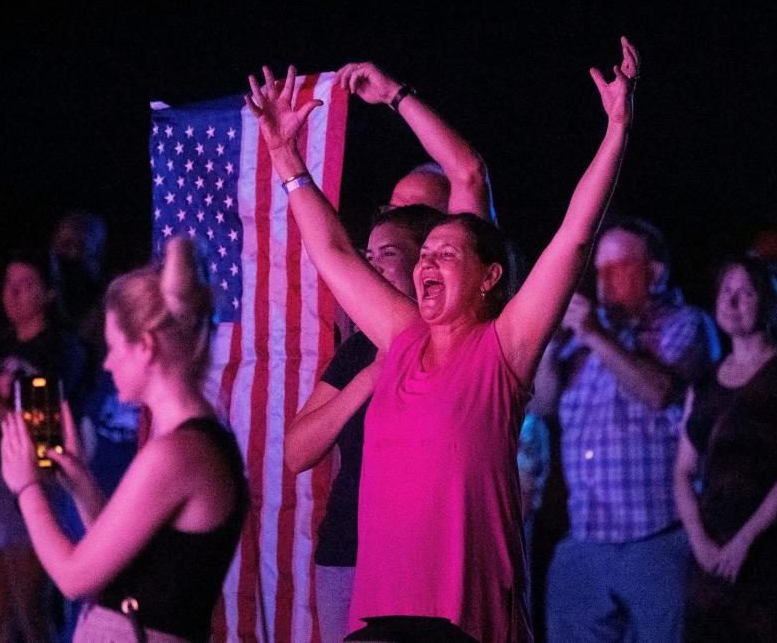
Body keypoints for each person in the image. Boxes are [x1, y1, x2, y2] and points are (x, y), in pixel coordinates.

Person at [246, 36, 639, 642]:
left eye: (445, 254)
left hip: (467, 620)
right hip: (379, 617)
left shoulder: (504, 347)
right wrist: (285, 157)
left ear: (489, 278)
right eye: (424, 254)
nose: (426, 264)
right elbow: (330, 251)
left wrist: (616, 129)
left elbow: (576, 234)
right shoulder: (401, 337)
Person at [0, 237, 247, 643]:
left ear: (146, 347)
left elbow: (73, 578)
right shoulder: (195, 441)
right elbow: (130, 563)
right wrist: (80, 484)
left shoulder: (178, 453)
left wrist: (26, 486)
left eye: (115, 347)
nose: (109, 362)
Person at [543, 216, 720, 643]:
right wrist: (548, 347)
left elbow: (660, 393)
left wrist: (595, 334)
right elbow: (542, 404)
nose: (603, 279)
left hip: (655, 539)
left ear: (655, 272)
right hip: (584, 540)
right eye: (598, 269)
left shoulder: (685, 324)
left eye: (618, 266)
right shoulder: (580, 337)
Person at [285, 204, 443, 643]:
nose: (371, 267)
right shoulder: (356, 353)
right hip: (347, 550)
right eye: (367, 257)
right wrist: (370, 376)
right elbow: (296, 451)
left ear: (421, 264)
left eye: (387, 254)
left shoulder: (448, 346)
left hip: (418, 557)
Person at [0, 249, 86, 643]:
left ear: (49, 293)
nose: (13, 294)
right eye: (8, 284)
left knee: (30, 608)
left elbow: (45, 427)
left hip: (34, 480)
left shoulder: (60, 348)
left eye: (26, 285)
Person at [673, 256, 777, 642]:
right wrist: (700, 541)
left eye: (746, 292)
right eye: (726, 291)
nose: (732, 301)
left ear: (769, 300)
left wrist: (745, 540)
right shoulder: (704, 380)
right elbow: (683, 470)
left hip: (767, 547)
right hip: (712, 547)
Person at [335, 62, 493, 220]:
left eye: (410, 212)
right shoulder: (375, 242)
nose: (394, 219)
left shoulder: (462, 241)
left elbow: (469, 173)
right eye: (393, 208)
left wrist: (392, 94)